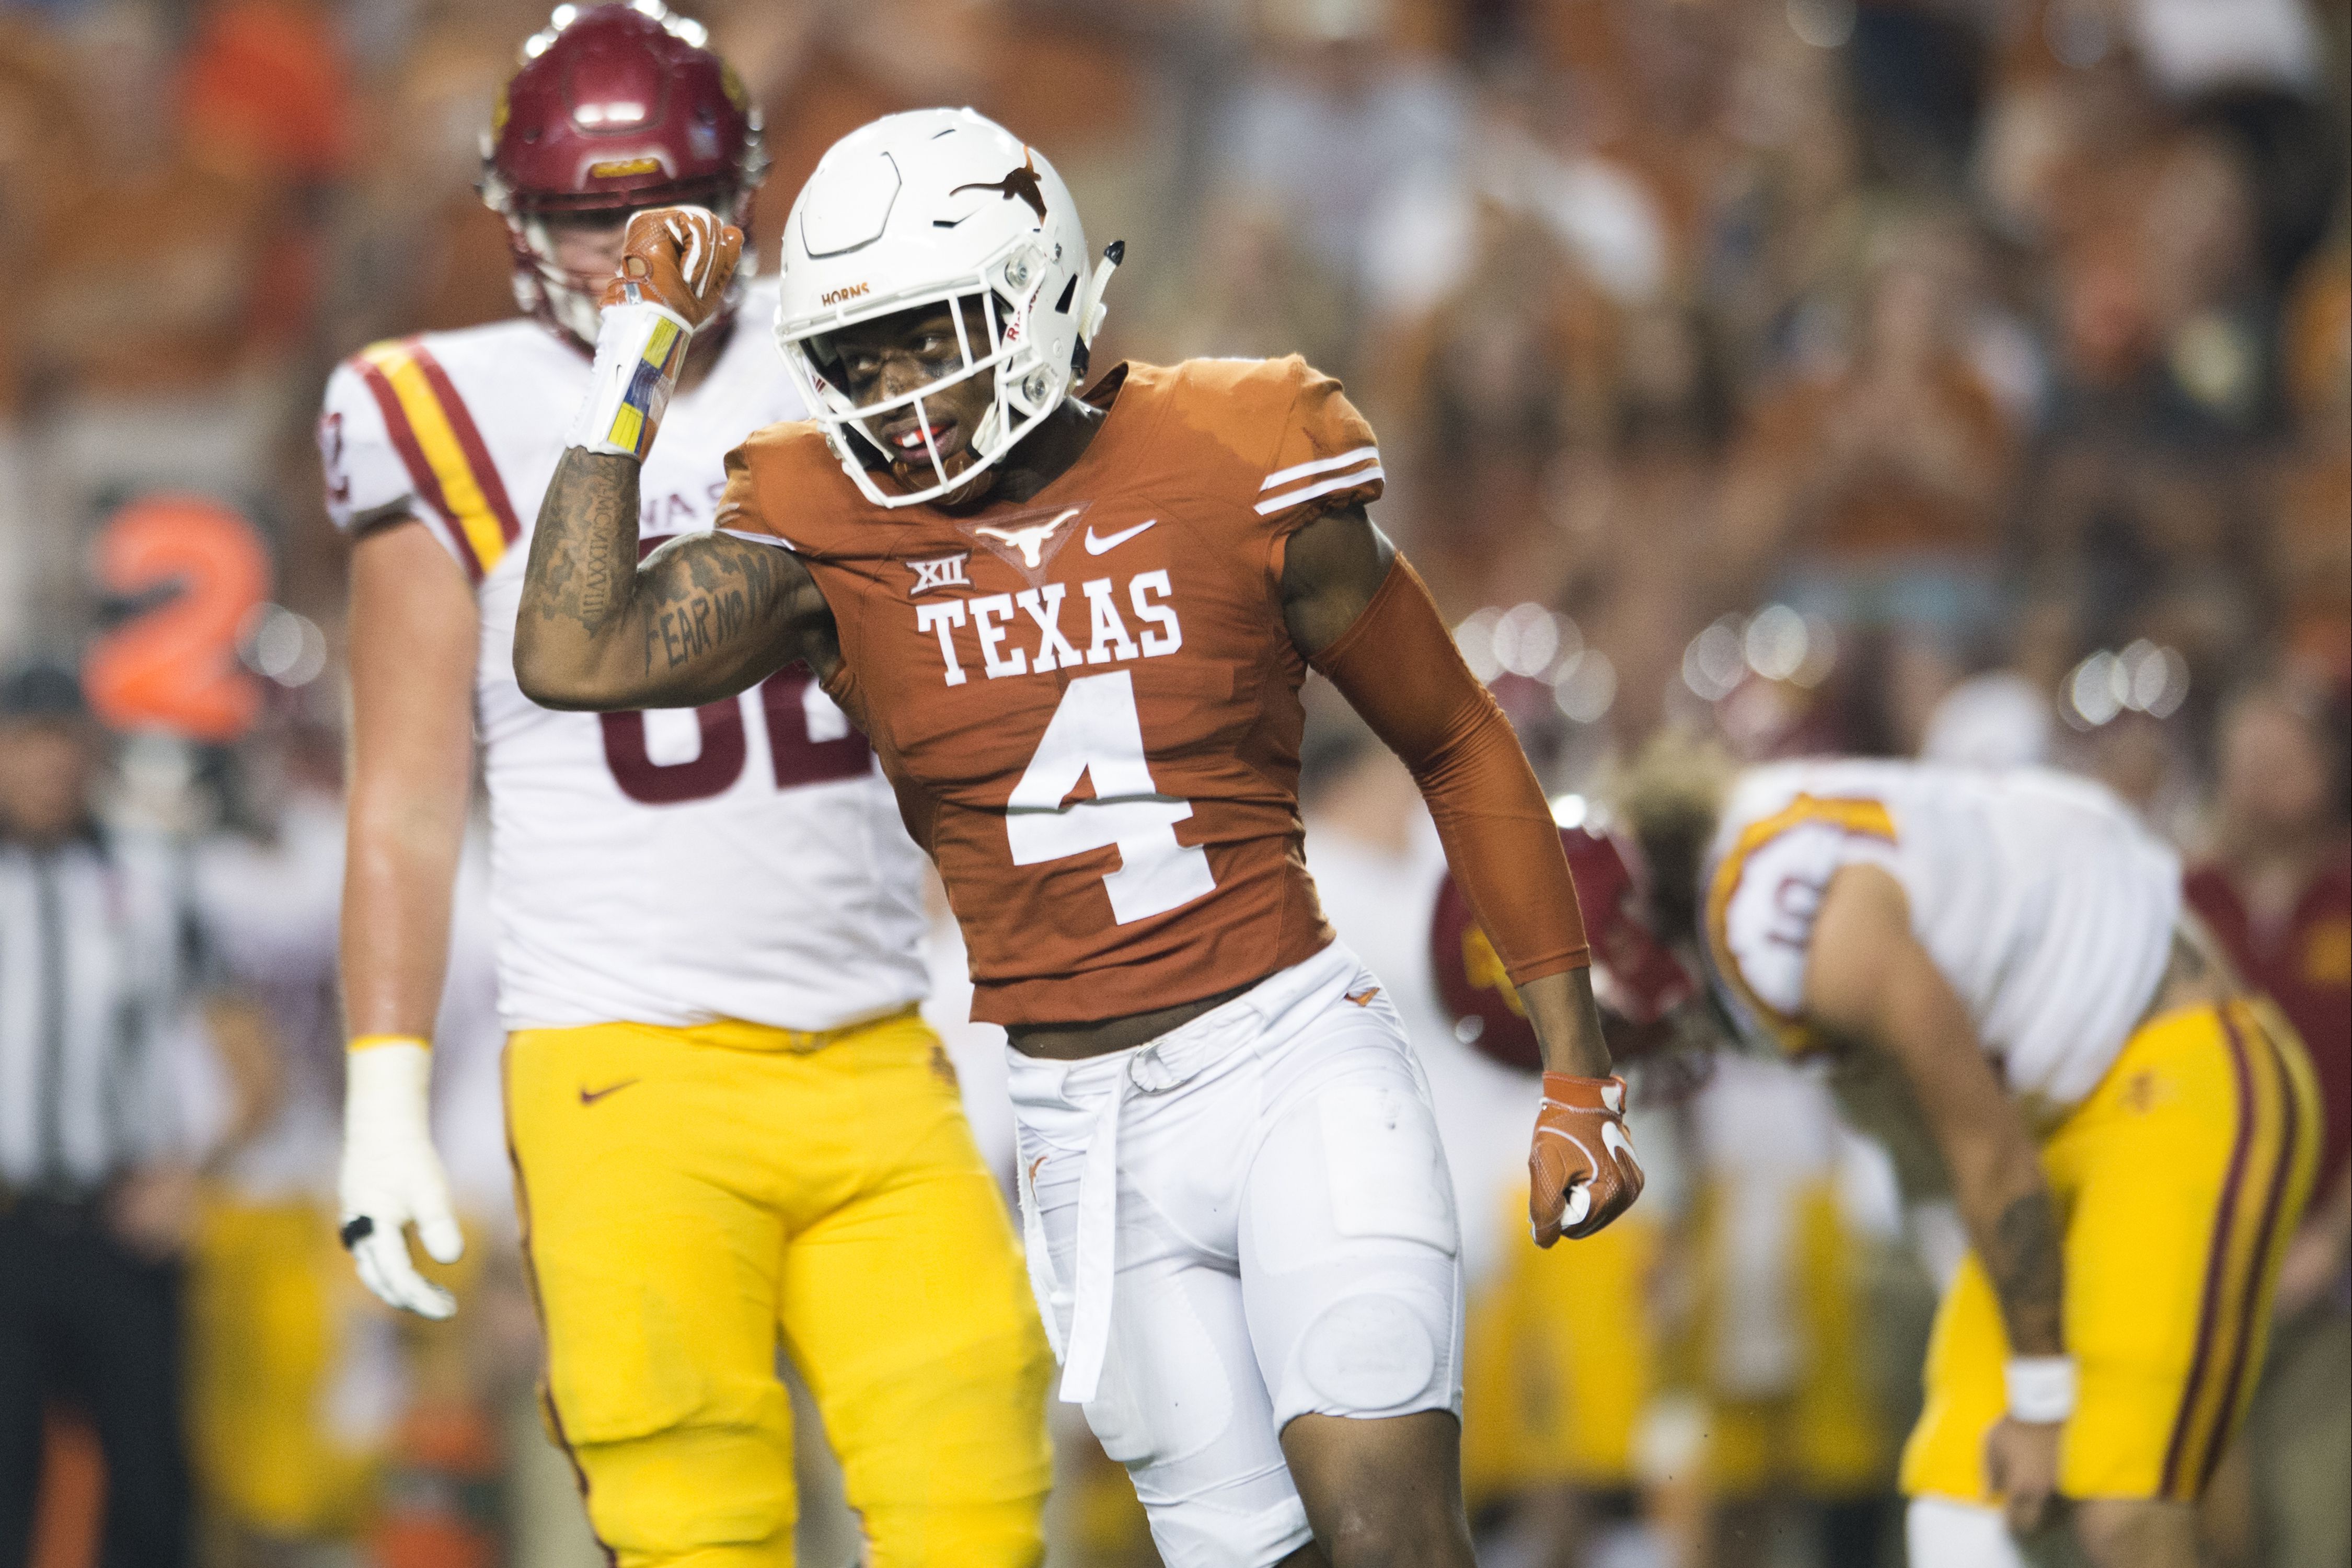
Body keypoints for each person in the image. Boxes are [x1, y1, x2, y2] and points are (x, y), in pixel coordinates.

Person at [511, 108, 1645, 1567]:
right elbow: (574, 650)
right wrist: (634, 359)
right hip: (1075, 1130)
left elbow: (1455, 737)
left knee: (1389, 1539)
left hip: (1287, 1060)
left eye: (933, 337)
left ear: (1040, 287)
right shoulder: (823, 526)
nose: (900, 397)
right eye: (862, 359)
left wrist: (1578, 1070)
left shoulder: (1241, 451)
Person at [322, 12, 1050, 1565]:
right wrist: (383, 1098)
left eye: (671, 210)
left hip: (871, 1041)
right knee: (689, 1514)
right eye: (596, 215)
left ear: (747, 196)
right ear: (523, 217)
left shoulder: (847, 340)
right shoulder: (440, 399)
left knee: (979, 1468)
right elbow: (402, 793)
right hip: (622, 1065)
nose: (634, 251)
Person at [1608, 736, 2322, 1568]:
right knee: (1959, 1513)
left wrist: (2041, 1395)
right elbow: (1923, 1146)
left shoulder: (1790, 931)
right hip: (2051, 1111)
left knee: (2120, 1499)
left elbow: (1980, 1146)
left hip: (2172, 1067)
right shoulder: (1741, 876)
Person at [0, 661, 267, 1568]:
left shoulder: (149, 883)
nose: (44, 767)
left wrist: (192, 1174)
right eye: (23, 744)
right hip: (9, 1224)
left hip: (121, 1225)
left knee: (153, 1495)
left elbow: (250, 1063)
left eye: (58, 742)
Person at [2184, 681, 2350, 1568]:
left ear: (2327, 769)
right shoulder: (2180, 903)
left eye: (2281, 765)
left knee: (2316, 1529)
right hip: (2189, 1274)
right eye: (2244, 765)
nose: (2259, 785)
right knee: (2191, 1531)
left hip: (2324, 1283)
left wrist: (2332, 1235)